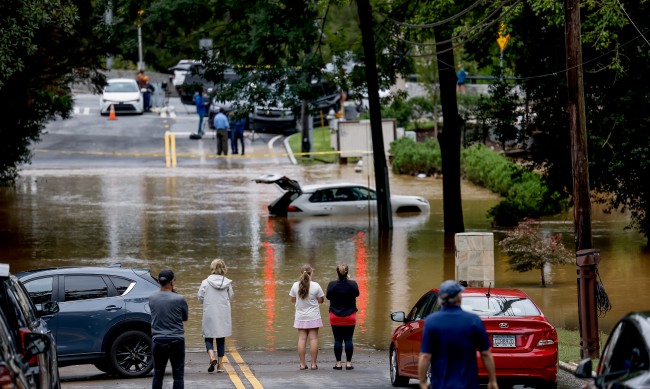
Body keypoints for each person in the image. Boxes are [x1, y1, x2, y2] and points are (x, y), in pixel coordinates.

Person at [417, 280, 498, 389]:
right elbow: (486, 354)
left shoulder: (431, 322)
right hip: (468, 385)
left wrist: (422, 382)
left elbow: (425, 356)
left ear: (440, 299)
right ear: (459, 298)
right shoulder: (473, 320)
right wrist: (492, 381)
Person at [149, 269, 189, 389]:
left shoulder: (152, 298)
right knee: (178, 376)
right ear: (172, 282)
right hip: (176, 340)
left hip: (158, 340)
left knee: (158, 375)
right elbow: (185, 317)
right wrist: (175, 293)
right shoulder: (179, 298)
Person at [197, 259, 234, 373]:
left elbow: (200, 298)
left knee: (208, 337)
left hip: (209, 312)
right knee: (220, 339)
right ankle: (220, 366)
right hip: (222, 313)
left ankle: (212, 357)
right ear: (224, 268)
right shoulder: (227, 283)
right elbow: (231, 296)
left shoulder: (205, 282)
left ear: (212, 268)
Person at [289, 264, 324, 370]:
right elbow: (321, 301)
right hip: (313, 317)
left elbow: (292, 300)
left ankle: (302, 364)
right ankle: (313, 364)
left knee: (302, 339)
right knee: (313, 339)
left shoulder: (295, 285)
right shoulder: (316, 285)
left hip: (300, 317)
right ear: (311, 273)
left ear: (301, 273)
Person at [326, 263, 359, 370]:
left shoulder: (332, 284)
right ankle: (348, 363)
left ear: (337, 273)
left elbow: (328, 297)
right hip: (350, 316)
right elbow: (357, 294)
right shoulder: (353, 284)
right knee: (349, 339)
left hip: (335, 316)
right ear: (347, 272)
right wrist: (349, 281)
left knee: (338, 340)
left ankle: (338, 363)